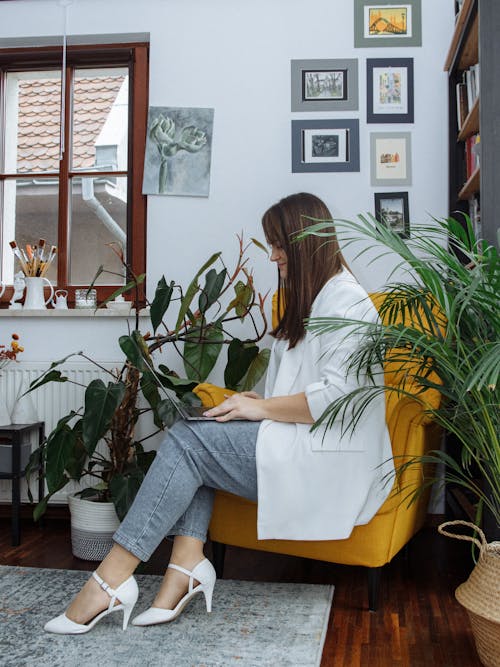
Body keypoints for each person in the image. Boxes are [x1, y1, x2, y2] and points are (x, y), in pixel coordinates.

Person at [44, 192, 394, 635]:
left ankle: (112, 579)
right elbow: (297, 385)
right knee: (200, 430)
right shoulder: (313, 298)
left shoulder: (348, 303)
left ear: (306, 243)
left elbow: (335, 399)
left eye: (279, 244)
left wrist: (260, 407)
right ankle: (186, 566)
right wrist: (250, 400)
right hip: (301, 440)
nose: (273, 255)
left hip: (332, 460)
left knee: (189, 442)